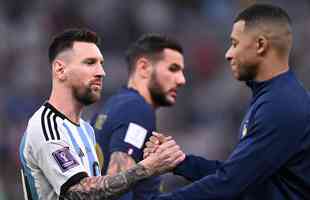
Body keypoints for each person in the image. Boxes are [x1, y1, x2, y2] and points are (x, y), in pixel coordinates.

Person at [144, 4, 310, 199]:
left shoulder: (281, 105)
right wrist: (179, 163)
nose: (228, 53)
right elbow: (243, 175)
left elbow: (230, 184)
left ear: (260, 45)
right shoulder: (273, 97)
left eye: (235, 43)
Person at [19, 29, 185, 200]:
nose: (101, 72)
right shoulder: (48, 127)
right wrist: (147, 168)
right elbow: (80, 191)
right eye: (90, 63)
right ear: (60, 70)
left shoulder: (85, 128)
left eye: (101, 63)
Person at [90, 33, 186, 200]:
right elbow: (115, 187)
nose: (181, 80)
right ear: (143, 68)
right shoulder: (137, 109)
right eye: (173, 69)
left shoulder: (113, 104)